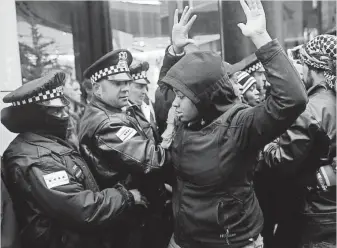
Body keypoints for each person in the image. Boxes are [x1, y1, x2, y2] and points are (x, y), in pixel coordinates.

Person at [159, 0, 307, 247]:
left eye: (183, 96)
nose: (175, 103)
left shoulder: (239, 125)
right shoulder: (184, 117)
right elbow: (164, 95)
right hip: (184, 241)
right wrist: (173, 53)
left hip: (233, 242)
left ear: (203, 97)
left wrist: (262, 38)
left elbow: (292, 99)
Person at [1, 71, 147, 248]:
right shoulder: (36, 158)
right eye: (56, 111)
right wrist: (126, 196)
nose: (65, 115)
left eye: (64, 108)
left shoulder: (46, 142)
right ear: (35, 116)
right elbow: (82, 209)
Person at [78, 49, 169, 248]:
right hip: (128, 218)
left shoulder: (110, 112)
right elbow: (152, 159)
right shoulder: (107, 123)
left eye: (127, 82)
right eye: (117, 83)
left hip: (127, 211)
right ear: (97, 88)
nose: (125, 88)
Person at [262, 34, 336, 248]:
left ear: (315, 68)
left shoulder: (310, 109)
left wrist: (267, 145)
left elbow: (281, 161)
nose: (301, 71)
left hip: (316, 212)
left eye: (303, 65)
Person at [63, 77, 85, 149]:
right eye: (76, 89)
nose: (80, 92)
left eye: (80, 89)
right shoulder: (64, 116)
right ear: (66, 92)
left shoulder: (83, 111)